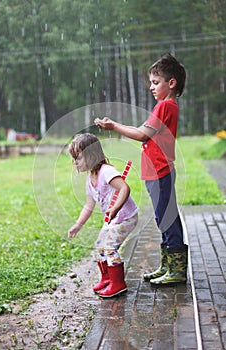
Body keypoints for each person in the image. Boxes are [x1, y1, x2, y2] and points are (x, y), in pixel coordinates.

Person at [95, 54, 188, 287]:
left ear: (172, 83)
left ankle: (176, 269)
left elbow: (142, 134)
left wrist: (113, 126)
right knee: (163, 218)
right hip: (155, 173)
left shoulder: (164, 106)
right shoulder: (165, 106)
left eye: (156, 82)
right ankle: (168, 265)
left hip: (160, 172)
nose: (151, 87)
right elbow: (141, 130)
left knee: (167, 218)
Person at [68, 133, 138, 297]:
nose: (75, 162)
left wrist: (115, 208)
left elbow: (124, 188)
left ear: (91, 156)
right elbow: (89, 205)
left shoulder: (106, 171)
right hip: (113, 219)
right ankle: (107, 279)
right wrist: (78, 224)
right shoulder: (90, 178)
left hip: (126, 217)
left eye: (78, 158)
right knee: (100, 246)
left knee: (109, 247)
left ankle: (118, 283)